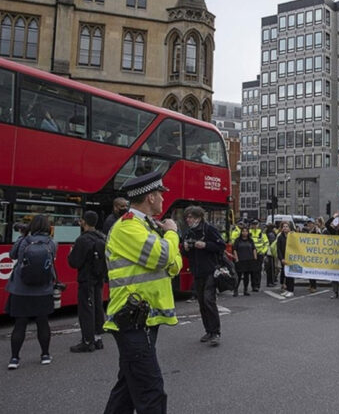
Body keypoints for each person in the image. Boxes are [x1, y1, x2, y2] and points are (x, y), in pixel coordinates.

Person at [102, 172, 182, 414]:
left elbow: (174, 265)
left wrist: (167, 246)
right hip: (133, 320)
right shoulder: (128, 227)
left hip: (144, 318)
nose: (162, 199)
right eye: (160, 194)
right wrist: (172, 233)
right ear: (150, 196)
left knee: (127, 388)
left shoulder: (146, 227)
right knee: (151, 391)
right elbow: (163, 256)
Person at [5, 214, 57, 369]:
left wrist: (23, 236)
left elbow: (12, 255)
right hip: (43, 289)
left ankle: (14, 359)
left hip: (21, 289)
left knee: (20, 324)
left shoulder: (23, 241)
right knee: (43, 323)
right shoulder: (52, 243)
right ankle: (45, 355)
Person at [181, 205, 225, 346]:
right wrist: (186, 249)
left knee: (208, 300)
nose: (188, 219)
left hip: (211, 270)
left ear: (199, 217)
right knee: (201, 302)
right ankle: (209, 331)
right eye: (187, 217)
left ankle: (216, 333)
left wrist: (205, 245)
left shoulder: (209, 229)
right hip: (197, 271)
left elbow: (221, 246)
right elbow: (186, 253)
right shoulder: (189, 232)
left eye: (191, 217)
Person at [67, 211, 107, 353]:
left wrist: (71, 253)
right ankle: (97, 338)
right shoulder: (102, 237)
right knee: (97, 307)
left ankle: (87, 341)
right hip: (99, 278)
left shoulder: (83, 240)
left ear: (84, 222)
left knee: (86, 309)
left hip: (86, 279)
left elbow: (74, 262)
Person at [232, 226, 257, 296]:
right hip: (240, 260)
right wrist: (236, 259)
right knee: (238, 276)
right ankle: (235, 290)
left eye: (246, 231)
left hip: (249, 260)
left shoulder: (250, 240)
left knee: (246, 276)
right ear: (241, 232)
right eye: (243, 231)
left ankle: (245, 290)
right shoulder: (237, 240)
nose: (245, 233)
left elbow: (253, 249)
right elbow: (234, 250)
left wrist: (255, 257)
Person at [248, 219, 268, 292]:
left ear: (258, 225)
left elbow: (266, 244)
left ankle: (257, 285)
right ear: (251, 225)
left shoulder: (262, 234)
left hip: (259, 254)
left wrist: (262, 251)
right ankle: (253, 285)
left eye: (256, 224)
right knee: (252, 270)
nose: (255, 225)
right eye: (253, 224)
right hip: (251, 254)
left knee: (258, 270)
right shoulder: (249, 233)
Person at [276, 222, 294, 298]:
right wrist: (281, 259)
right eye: (284, 226)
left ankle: (291, 290)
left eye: (287, 226)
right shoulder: (280, 237)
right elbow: (278, 249)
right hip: (284, 258)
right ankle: (287, 289)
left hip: (291, 258)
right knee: (286, 274)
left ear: (290, 228)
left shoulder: (293, 236)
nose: (285, 228)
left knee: (291, 275)